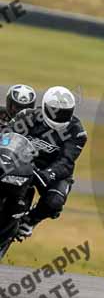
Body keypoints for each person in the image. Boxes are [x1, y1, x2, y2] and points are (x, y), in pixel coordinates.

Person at [10, 87, 88, 239]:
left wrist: (47, 174)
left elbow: (66, 160)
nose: (59, 116)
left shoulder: (77, 132)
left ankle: (29, 222)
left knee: (55, 201)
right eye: (55, 111)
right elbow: (7, 134)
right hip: (22, 162)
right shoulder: (27, 116)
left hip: (52, 170)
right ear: (45, 107)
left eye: (64, 113)